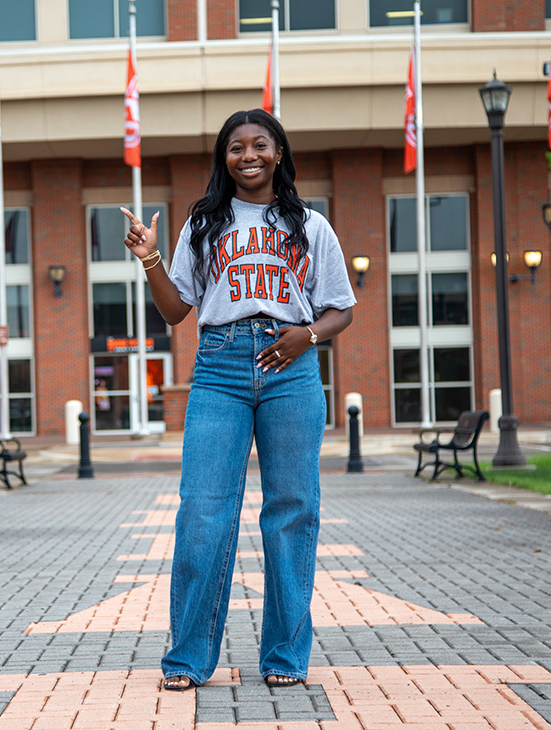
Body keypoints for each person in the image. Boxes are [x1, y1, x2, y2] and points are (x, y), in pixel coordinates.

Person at [121, 109, 355, 691]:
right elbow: (177, 310)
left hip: (292, 365)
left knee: (292, 511)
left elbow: (341, 306)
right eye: (235, 147)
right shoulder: (203, 223)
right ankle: (188, 658)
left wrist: (310, 334)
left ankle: (284, 656)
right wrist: (149, 256)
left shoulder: (310, 224)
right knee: (204, 511)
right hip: (220, 365)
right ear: (223, 158)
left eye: (259, 145)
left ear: (279, 153)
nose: (247, 155)